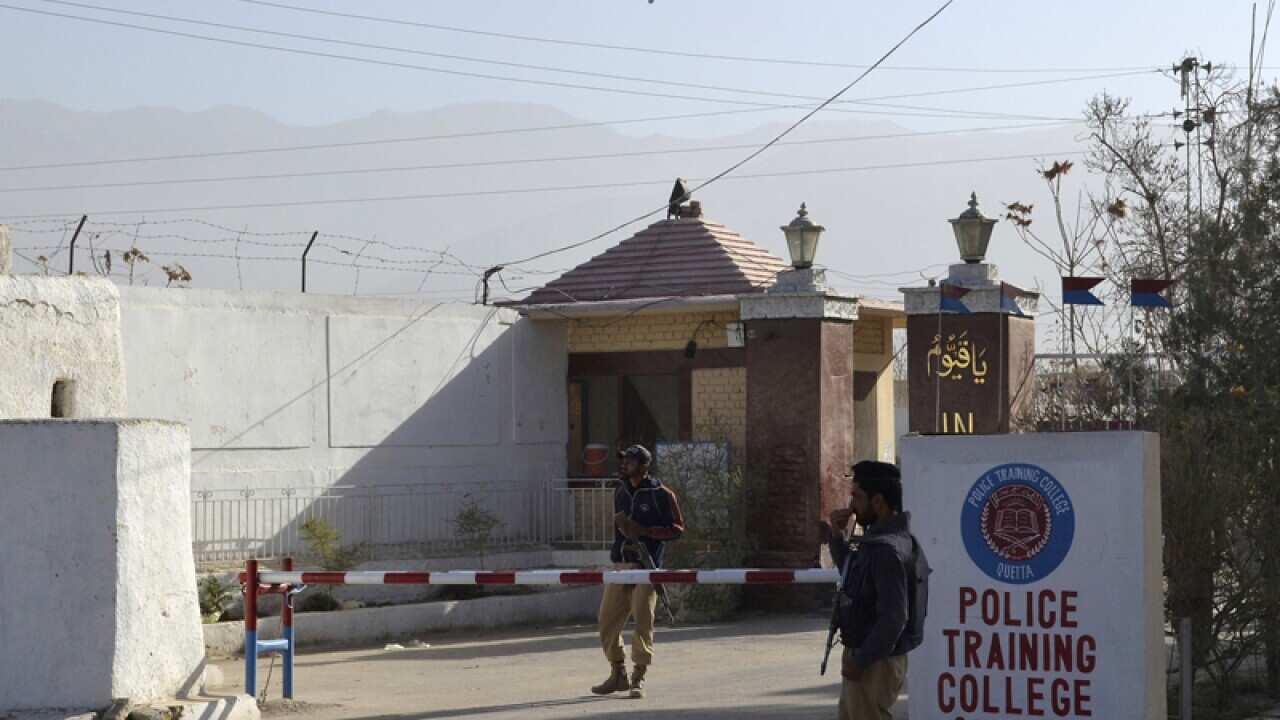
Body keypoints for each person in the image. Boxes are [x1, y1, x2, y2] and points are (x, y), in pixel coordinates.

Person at [818, 460, 929, 720]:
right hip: (870, 654)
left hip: (875, 660)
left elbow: (894, 617)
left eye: (857, 496)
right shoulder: (883, 541)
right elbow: (853, 573)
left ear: (878, 502)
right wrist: (837, 534)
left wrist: (861, 660)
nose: (851, 505)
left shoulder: (887, 549)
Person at [590, 444, 685, 699]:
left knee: (642, 623)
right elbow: (617, 530)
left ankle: (638, 677)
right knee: (607, 620)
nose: (624, 465)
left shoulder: (662, 494)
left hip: (647, 568)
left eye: (629, 462)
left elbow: (677, 529)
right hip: (622, 567)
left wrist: (644, 531)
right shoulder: (620, 492)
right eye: (623, 461)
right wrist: (616, 555)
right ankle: (617, 672)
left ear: (644, 467)